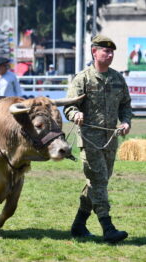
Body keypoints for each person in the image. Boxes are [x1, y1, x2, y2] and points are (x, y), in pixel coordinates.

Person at [63, 35, 132, 243]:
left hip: (111, 140)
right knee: (99, 180)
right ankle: (107, 227)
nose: (109, 55)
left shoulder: (118, 79)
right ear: (94, 52)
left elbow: (126, 105)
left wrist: (126, 122)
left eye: (112, 52)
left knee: (96, 183)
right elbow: (69, 106)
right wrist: (76, 114)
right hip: (89, 140)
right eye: (105, 51)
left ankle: (78, 224)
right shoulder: (82, 78)